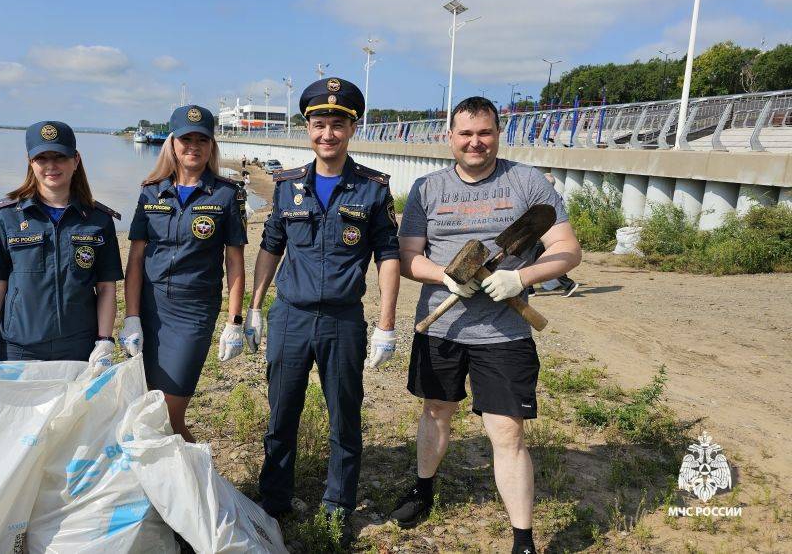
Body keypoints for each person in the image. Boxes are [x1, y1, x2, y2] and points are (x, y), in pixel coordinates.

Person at [389, 97, 581, 554]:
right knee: (436, 411)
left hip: (504, 335)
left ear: (498, 133)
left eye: (485, 133)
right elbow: (408, 256)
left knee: (508, 431)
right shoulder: (427, 188)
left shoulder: (527, 183)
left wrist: (522, 276)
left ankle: (523, 539)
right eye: (466, 134)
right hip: (442, 329)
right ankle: (423, 489)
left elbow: (567, 249)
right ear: (449, 137)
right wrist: (446, 278)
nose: (475, 142)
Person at [245, 77, 400, 547]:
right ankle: (274, 500)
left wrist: (387, 326)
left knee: (344, 416)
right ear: (306, 127)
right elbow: (270, 247)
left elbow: (387, 256)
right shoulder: (287, 186)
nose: (327, 133)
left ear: (351, 128)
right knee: (281, 413)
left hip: (343, 321)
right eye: (318, 123)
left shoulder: (372, 190)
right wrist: (253, 309)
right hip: (290, 316)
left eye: (337, 124)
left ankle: (338, 505)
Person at [119, 105, 247, 443]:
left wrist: (234, 321)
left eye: (201, 139)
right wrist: (131, 316)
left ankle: (197, 489)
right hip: (150, 308)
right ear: (172, 144)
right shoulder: (151, 191)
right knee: (146, 407)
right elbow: (135, 261)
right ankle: (160, 487)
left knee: (169, 415)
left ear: (211, 145)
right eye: (185, 139)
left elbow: (234, 261)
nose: (193, 146)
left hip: (193, 313)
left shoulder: (226, 194)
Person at [0, 121, 124, 372]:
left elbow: (105, 288)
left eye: (60, 156)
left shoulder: (98, 219)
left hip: (80, 347)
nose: (51, 165)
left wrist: (104, 341)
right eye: (42, 158)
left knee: (75, 412)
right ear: (30, 161)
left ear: (76, 159)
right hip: (20, 347)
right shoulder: (6, 216)